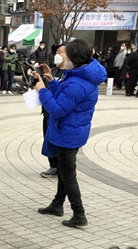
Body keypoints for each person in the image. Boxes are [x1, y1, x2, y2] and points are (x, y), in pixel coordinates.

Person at [35, 39, 106, 227]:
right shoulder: (77, 76)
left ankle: (79, 214)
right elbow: (65, 96)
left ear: (75, 57)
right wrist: (51, 81)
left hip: (68, 133)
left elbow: (58, 109)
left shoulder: (77, 82)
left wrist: (42, 91)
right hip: (70, 131)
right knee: (65, 172)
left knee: (68, 175)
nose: (60, 56)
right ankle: (58, 205)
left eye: (64, 53)